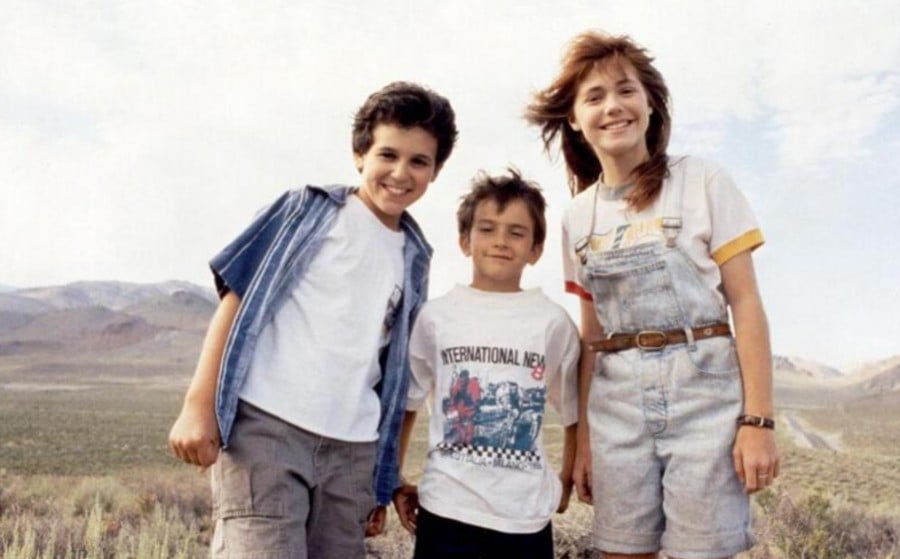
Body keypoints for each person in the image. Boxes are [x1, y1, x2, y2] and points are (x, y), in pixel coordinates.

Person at [167, 81, 457, 558]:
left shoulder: (414, 254)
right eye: (388, 154)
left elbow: (392, 368)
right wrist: (197, 406)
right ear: (359, 153)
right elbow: (237, 298)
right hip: (267, 433)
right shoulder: (309, 211)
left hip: (353, 451)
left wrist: (385, 475)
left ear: (435, 170)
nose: (400, 173)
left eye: (419, 161)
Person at [525, 31, 780, 559]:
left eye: (626, 91)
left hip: (705, 402)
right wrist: (587, 444)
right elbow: (592, 337)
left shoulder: (702, 180)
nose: (613, 107)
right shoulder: (577, 217)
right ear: (574, 118)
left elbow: (747, 307)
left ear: (649, 103)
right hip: (616, 411)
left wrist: (757, 421)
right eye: (594, 97)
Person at [392, 169, 581, 559]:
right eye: (487, 229)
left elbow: (574, 410)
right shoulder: (434, 317)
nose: (500, 242)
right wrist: (394, 478)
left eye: (516, 232)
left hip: (524, 516)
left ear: (535, 249)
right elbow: (409, 402)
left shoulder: (552, 321)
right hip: (446, 508)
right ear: (465, 241)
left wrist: (565, 478)